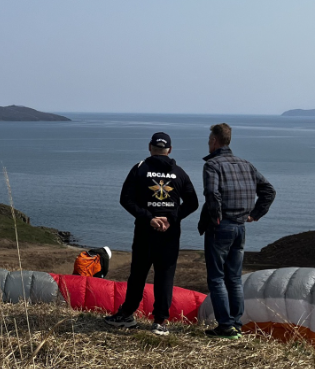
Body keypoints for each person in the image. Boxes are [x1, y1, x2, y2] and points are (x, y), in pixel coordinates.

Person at [106, 132, 199, 335]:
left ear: (150, 147)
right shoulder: (180, 173)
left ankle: (127, 315)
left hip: (144, 231)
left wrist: (148, 217)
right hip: (170, 234)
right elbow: (193, 203)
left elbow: (125, 199)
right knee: (165, 275)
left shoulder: (140, 169)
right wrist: (171, 218)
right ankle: (160, 322)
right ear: (170, 150)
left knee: (138, 274)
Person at [197, 123, 276, 339]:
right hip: (240, 227)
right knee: (233, 277)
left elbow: (212, 194)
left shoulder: (212, 165)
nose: (208, 143)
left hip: (221, 226)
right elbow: (269, 191)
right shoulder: (246, 165)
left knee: (216, 278)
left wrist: (215, 216)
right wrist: (254, 214)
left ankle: (224, 326)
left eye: (209, 140)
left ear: (214, 141)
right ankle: (235, 324)